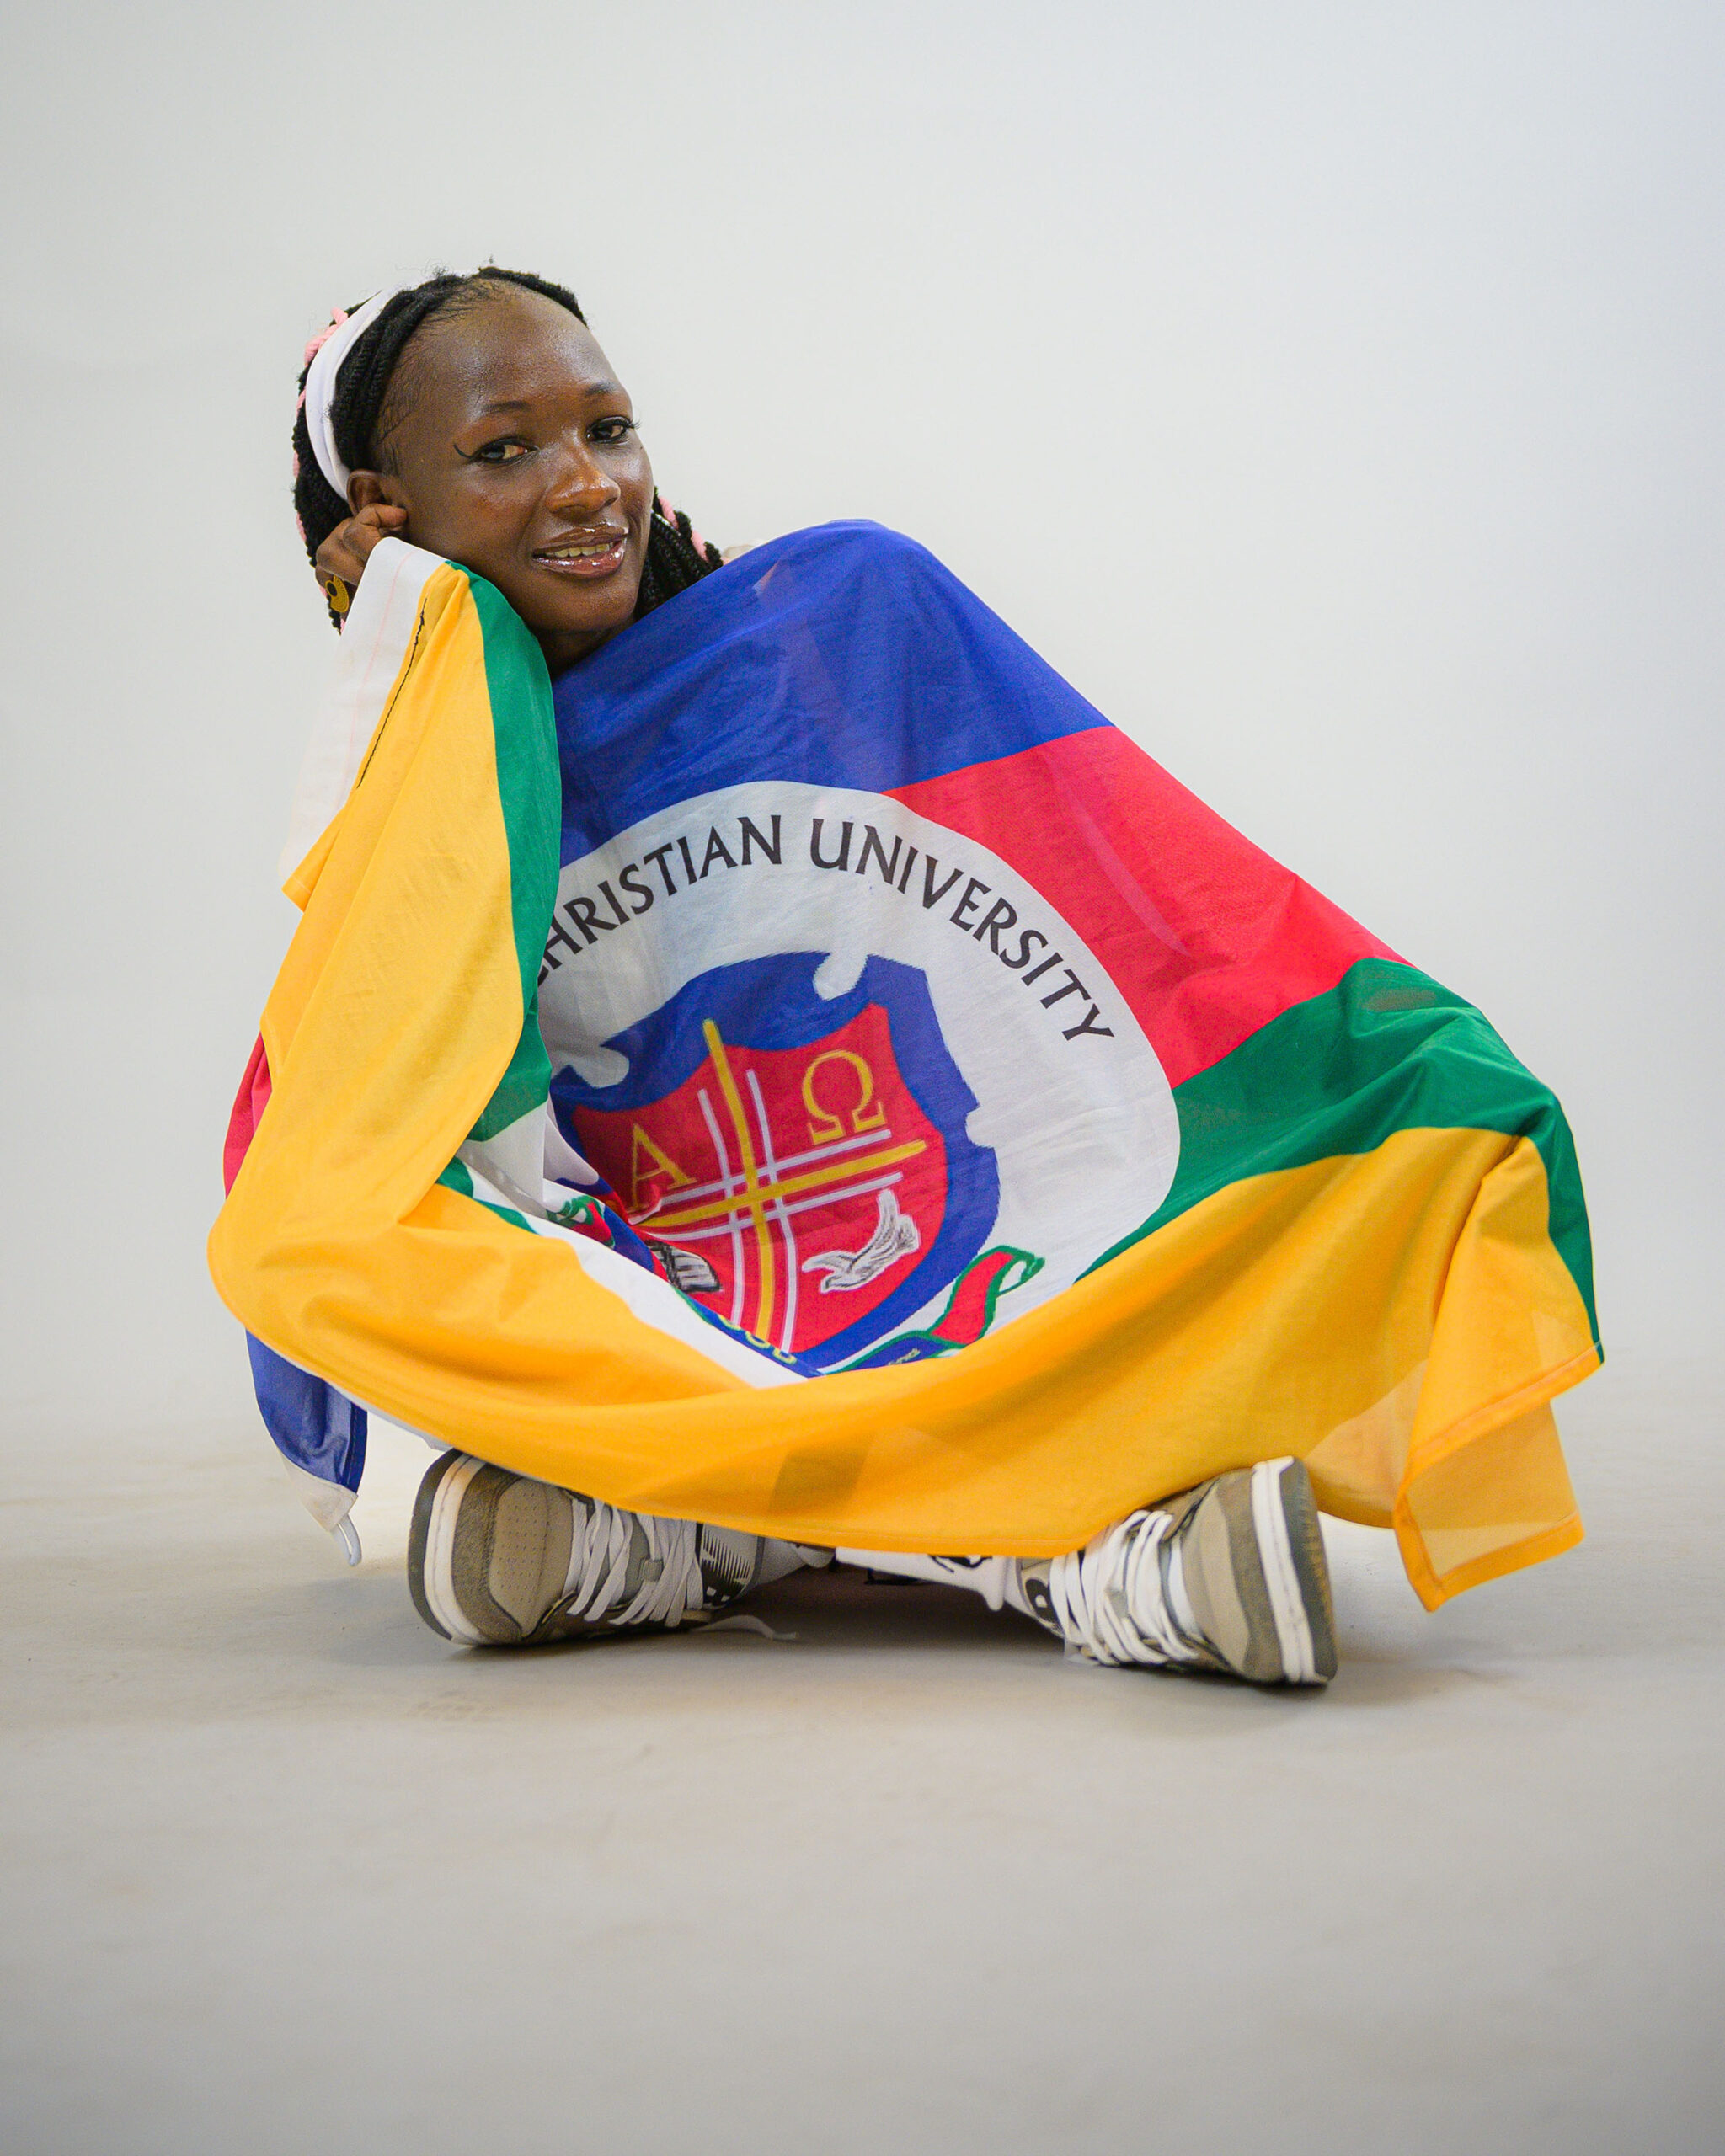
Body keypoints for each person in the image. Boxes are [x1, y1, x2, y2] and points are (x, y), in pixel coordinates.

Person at [229, 265, 1594, 1686]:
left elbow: (1119, 909)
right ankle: (1080, 1550)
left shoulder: (839, 619)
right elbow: (374, 1102)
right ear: (382, 516)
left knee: (1405, 1116)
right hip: (658, 1277)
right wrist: (419, 652)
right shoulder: (411, 784)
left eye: (609, 429)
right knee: (331, 1245)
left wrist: (1341, 1067)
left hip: (949, 1265)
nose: (586, 485)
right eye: (504, 451)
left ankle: (695, 1534)